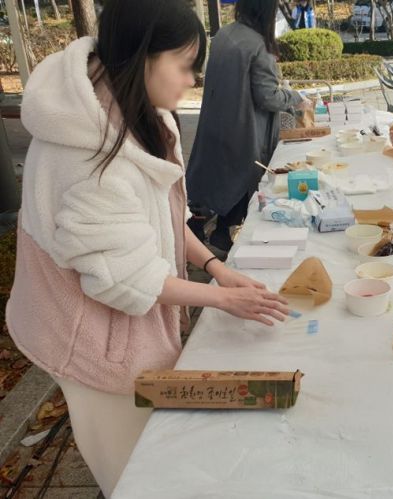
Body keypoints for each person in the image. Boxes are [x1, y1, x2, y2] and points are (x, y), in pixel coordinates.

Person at [5, 1, 290, 496]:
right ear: (143, 58)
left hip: (119, 321)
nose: (191, 80)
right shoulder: (89, 155)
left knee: (156, 444)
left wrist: (215, 266)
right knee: (136, 473)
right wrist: (224, 299)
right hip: (84, 339)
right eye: (184, 65)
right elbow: (124, 278)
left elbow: (162, 216)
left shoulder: (143, 113)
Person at [186, 0, 311, 251]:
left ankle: (198, 233)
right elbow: (268, 97)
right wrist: (296, 98)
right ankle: (220, 235)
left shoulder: (225, 34)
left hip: (218, 122)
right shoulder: (257, 45)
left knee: (216, 182)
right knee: (240, 183)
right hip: (243, 131)